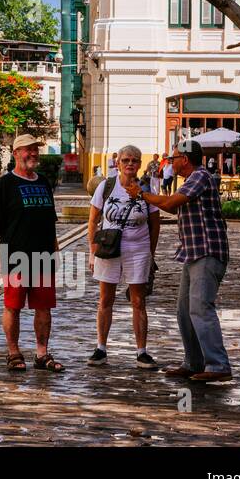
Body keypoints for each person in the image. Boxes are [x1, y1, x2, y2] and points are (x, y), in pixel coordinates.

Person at [136, 139, 232, 383]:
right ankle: (194, 362)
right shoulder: (191, 181)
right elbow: (173, 207)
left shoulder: (201, 176)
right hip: (193, 252)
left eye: (174, 158)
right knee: (183, 312)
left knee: (200, 308)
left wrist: (141, 194)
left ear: (185, 160)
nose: (171, 161)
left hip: (207, 251)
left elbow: (169, 203)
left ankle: (218, 364)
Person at [0, 134, 64, 373]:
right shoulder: (5, 183)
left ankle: (42, 354)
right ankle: (13, 352)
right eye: (27, 150)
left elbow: (50, 219)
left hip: (43, 256)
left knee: (44, 308)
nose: (32, 154)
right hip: (14, 256)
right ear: (16, 154)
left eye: (35, 149)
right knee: (13, 306)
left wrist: (55, 248)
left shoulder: (43, 182)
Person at [87, 145, 161, 369]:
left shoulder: (146, 189)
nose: (130, 164)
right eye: (126, 160)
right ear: (117, 163)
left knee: (138, 300)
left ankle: (141, 351)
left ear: (140, 164)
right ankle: (101, 348)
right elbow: (93, 220)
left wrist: (150, 253)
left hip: (137, 248)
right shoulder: (106, 187)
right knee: (105, 299)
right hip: (109, 248)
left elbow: (155, 225)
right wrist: (92, 251)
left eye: (135, 160)